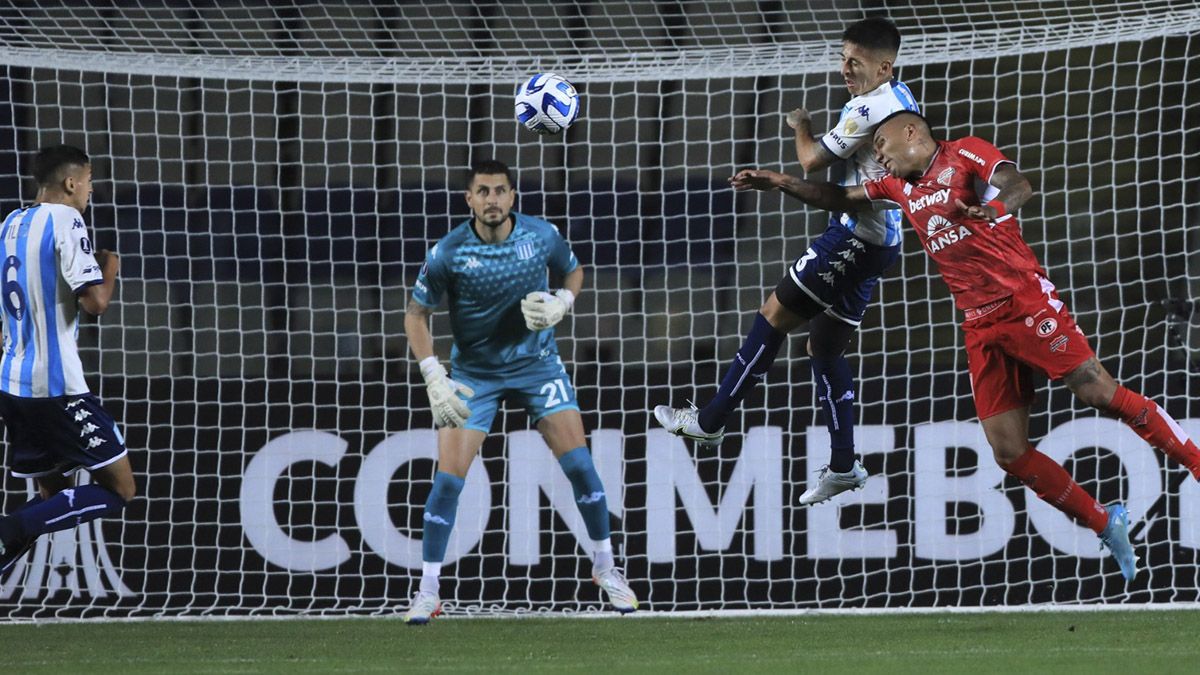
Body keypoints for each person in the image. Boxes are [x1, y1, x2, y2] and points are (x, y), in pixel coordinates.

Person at [728, 110, 1200, 580]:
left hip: (1022, 301)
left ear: (911, 132)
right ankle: (1104, 520)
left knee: (1098, 392)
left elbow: (1018, 185)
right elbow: (841, 196)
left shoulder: (965, 153)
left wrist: (993, 208)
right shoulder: (896, 188)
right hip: (979, 325)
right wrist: (781, 182)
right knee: (1010, 452)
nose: (878, 155)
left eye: (881, 144)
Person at [654, 17, 921, 506]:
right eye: (842, 58)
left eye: (854, 62)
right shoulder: (904, 98)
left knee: (774, 314)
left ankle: (710, 421)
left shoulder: (867, 108)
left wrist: (802, 125)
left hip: (855, 238)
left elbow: (810, 162)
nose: (844, 68)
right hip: (882, 240)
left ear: (884, 65)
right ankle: (843, 465)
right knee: (825, 349)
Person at [402, 159, 637, 624]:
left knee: (582, 468)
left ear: (513, 197)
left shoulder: (541, 236)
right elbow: (415, 314)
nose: (493, 200)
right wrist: (433, 374)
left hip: (538, 365)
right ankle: (428, 590)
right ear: (469, 199)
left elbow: (574, 272)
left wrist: (562, 304)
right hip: (475, 374)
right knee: (447, 483)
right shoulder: (448, 251)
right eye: (483, 191)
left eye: (501, 191)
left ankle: (607, 568)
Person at [0, 145, 132, 574]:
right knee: (121, 489)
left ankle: (8, 543)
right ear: (72, 182)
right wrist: (109, 267)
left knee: (51, 497)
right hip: (57, 386)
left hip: (12, 382)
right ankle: (7, 530)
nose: (91, 191)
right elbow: (95, 303)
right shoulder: (66, 219)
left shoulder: (10, 224)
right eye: (90, 181)